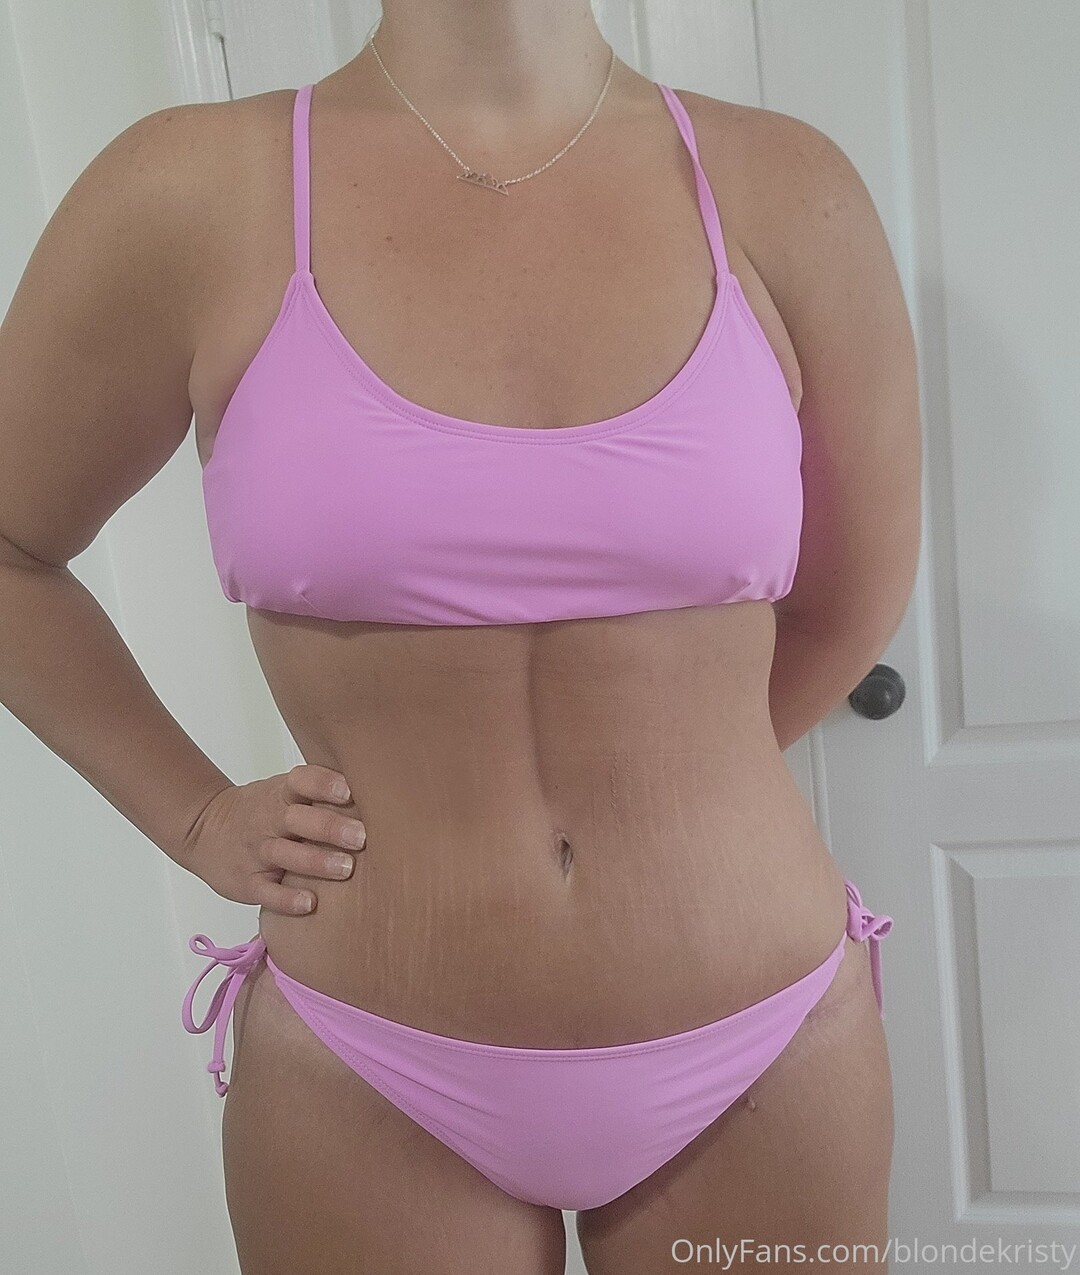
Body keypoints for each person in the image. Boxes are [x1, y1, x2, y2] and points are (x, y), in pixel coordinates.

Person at [0, 1, 920, 1271]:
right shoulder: (190, 191)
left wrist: (673, 793)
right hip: (367, 1052)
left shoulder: (787, 187)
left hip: (757, 1030)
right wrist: (196, 815)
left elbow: (850, 599)